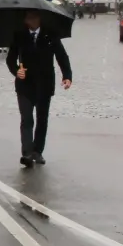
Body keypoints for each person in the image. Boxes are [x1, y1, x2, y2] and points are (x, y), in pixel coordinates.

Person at [7, 11, 74, 168]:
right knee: (27, 119)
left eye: (32, 17)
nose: (29, 20)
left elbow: (62, 56)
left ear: (39, 19)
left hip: (44, 84)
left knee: (42, 119)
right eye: (27, 17)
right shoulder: (19, 35)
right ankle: (27, 153)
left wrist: (67, 76)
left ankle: (38, 151)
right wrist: (16, 70)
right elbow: (10, 58)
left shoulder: (50, 35)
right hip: (24, 84)